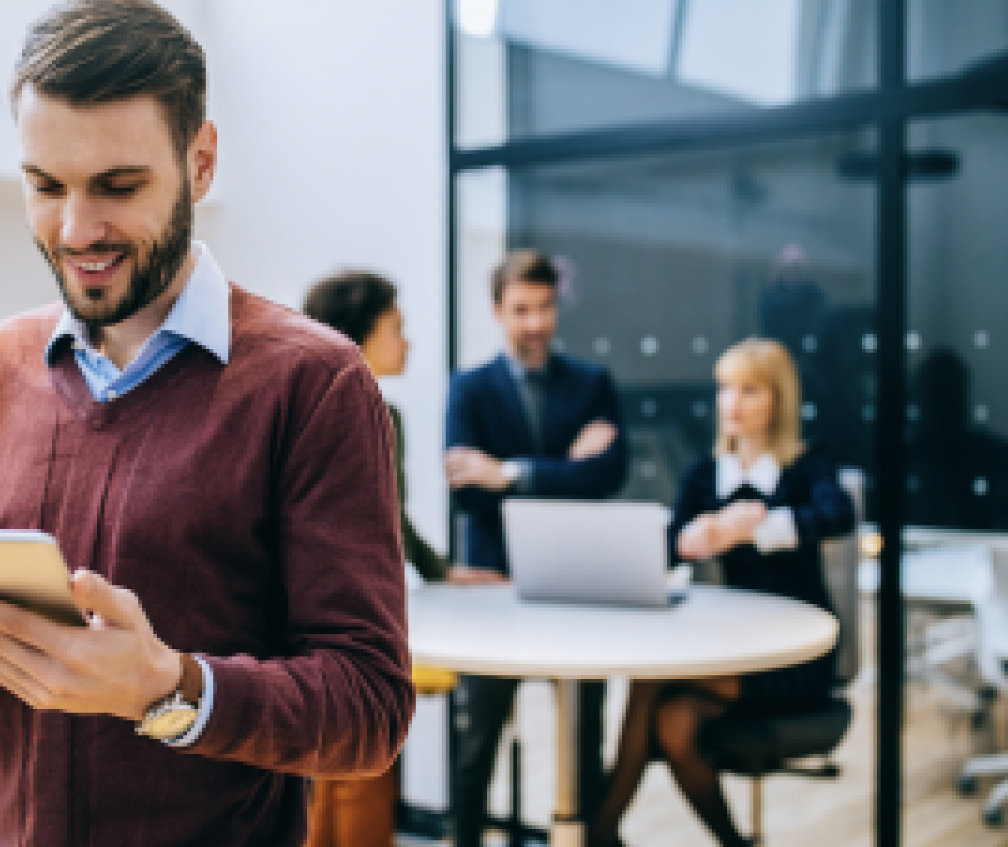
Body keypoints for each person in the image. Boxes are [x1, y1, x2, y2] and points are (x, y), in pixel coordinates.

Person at [0, 3, 414, 845]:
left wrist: (166, 687)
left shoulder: (315, 382)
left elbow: (370, 708)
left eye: (118, 186)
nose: (77, 230)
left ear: (200, 163)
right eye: (46, 186)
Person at [588, 338, 855, 847]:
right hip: (735, 648)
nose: (732, 403)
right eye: (726, 389)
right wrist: (691, 540)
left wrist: (758, 526)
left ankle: (601, 831)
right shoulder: (705, 473)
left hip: (793, 656)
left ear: (778, 400)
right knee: (672, 723)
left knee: (647, 681)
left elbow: (838, 514)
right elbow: (668, 543)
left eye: (749, 391)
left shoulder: (807, 466)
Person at [444, 248, 629, 847]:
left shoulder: (594, 383)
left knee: (585, 740)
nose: (535, 323)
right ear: (497, 311)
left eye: (545, 308)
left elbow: (609, 476)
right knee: (476, 751)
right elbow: (470, 499)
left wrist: (510, 474)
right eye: (521, 309)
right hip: (494, 589)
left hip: (578, 589)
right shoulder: (468, 389)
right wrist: (560, 471)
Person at [298, 270, 451, 847]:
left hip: (303, 613)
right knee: (361, 762)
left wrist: (442, 572)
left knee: (333, 770)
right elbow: (381, 528)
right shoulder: (375, 416)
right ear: (359, 336)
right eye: (396, 328)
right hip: (348, 615)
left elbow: (393, 519)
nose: (406, 342)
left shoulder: (300, 404)